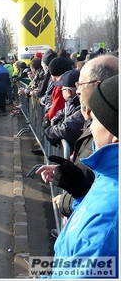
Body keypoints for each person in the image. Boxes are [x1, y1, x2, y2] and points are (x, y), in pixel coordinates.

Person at [49, 75, 118, 278]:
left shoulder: (110, 219)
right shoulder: (109, 176)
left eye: (95, 119)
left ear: (115, 137)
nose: (89, 121)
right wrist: (80, 196)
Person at [44, 69, 85, 152]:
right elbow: (57, 116)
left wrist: (49, 131)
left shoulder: (81, 107)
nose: (61, 91)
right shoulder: (69, 104)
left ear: (68, 92)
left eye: (62, 89)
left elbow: (67, 128)